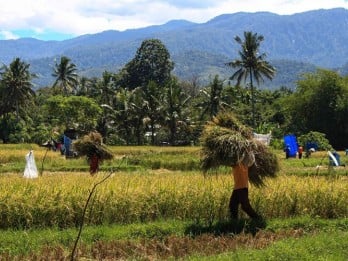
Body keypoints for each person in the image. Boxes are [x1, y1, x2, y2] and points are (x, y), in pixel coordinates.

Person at [229, 151, 260, 220]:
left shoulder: (241, 163)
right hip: (237, 187)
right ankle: (234, 222)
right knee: (232, 205)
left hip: (242, 187)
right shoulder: (237, 164)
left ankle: (257, 219)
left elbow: (250, 159)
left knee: (245, 206)